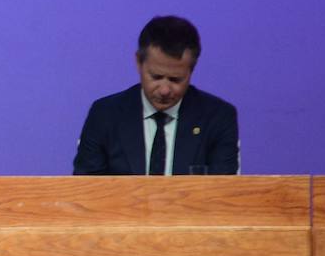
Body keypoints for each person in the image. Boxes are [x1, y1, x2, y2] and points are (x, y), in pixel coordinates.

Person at [73, 15, 239, 175]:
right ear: (139, 62)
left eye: (175, 79)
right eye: (156, 77)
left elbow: (222, 195)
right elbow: (86, 192)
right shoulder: (105, 115)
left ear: (191, 70)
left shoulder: (218, 118)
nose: (164, 90)